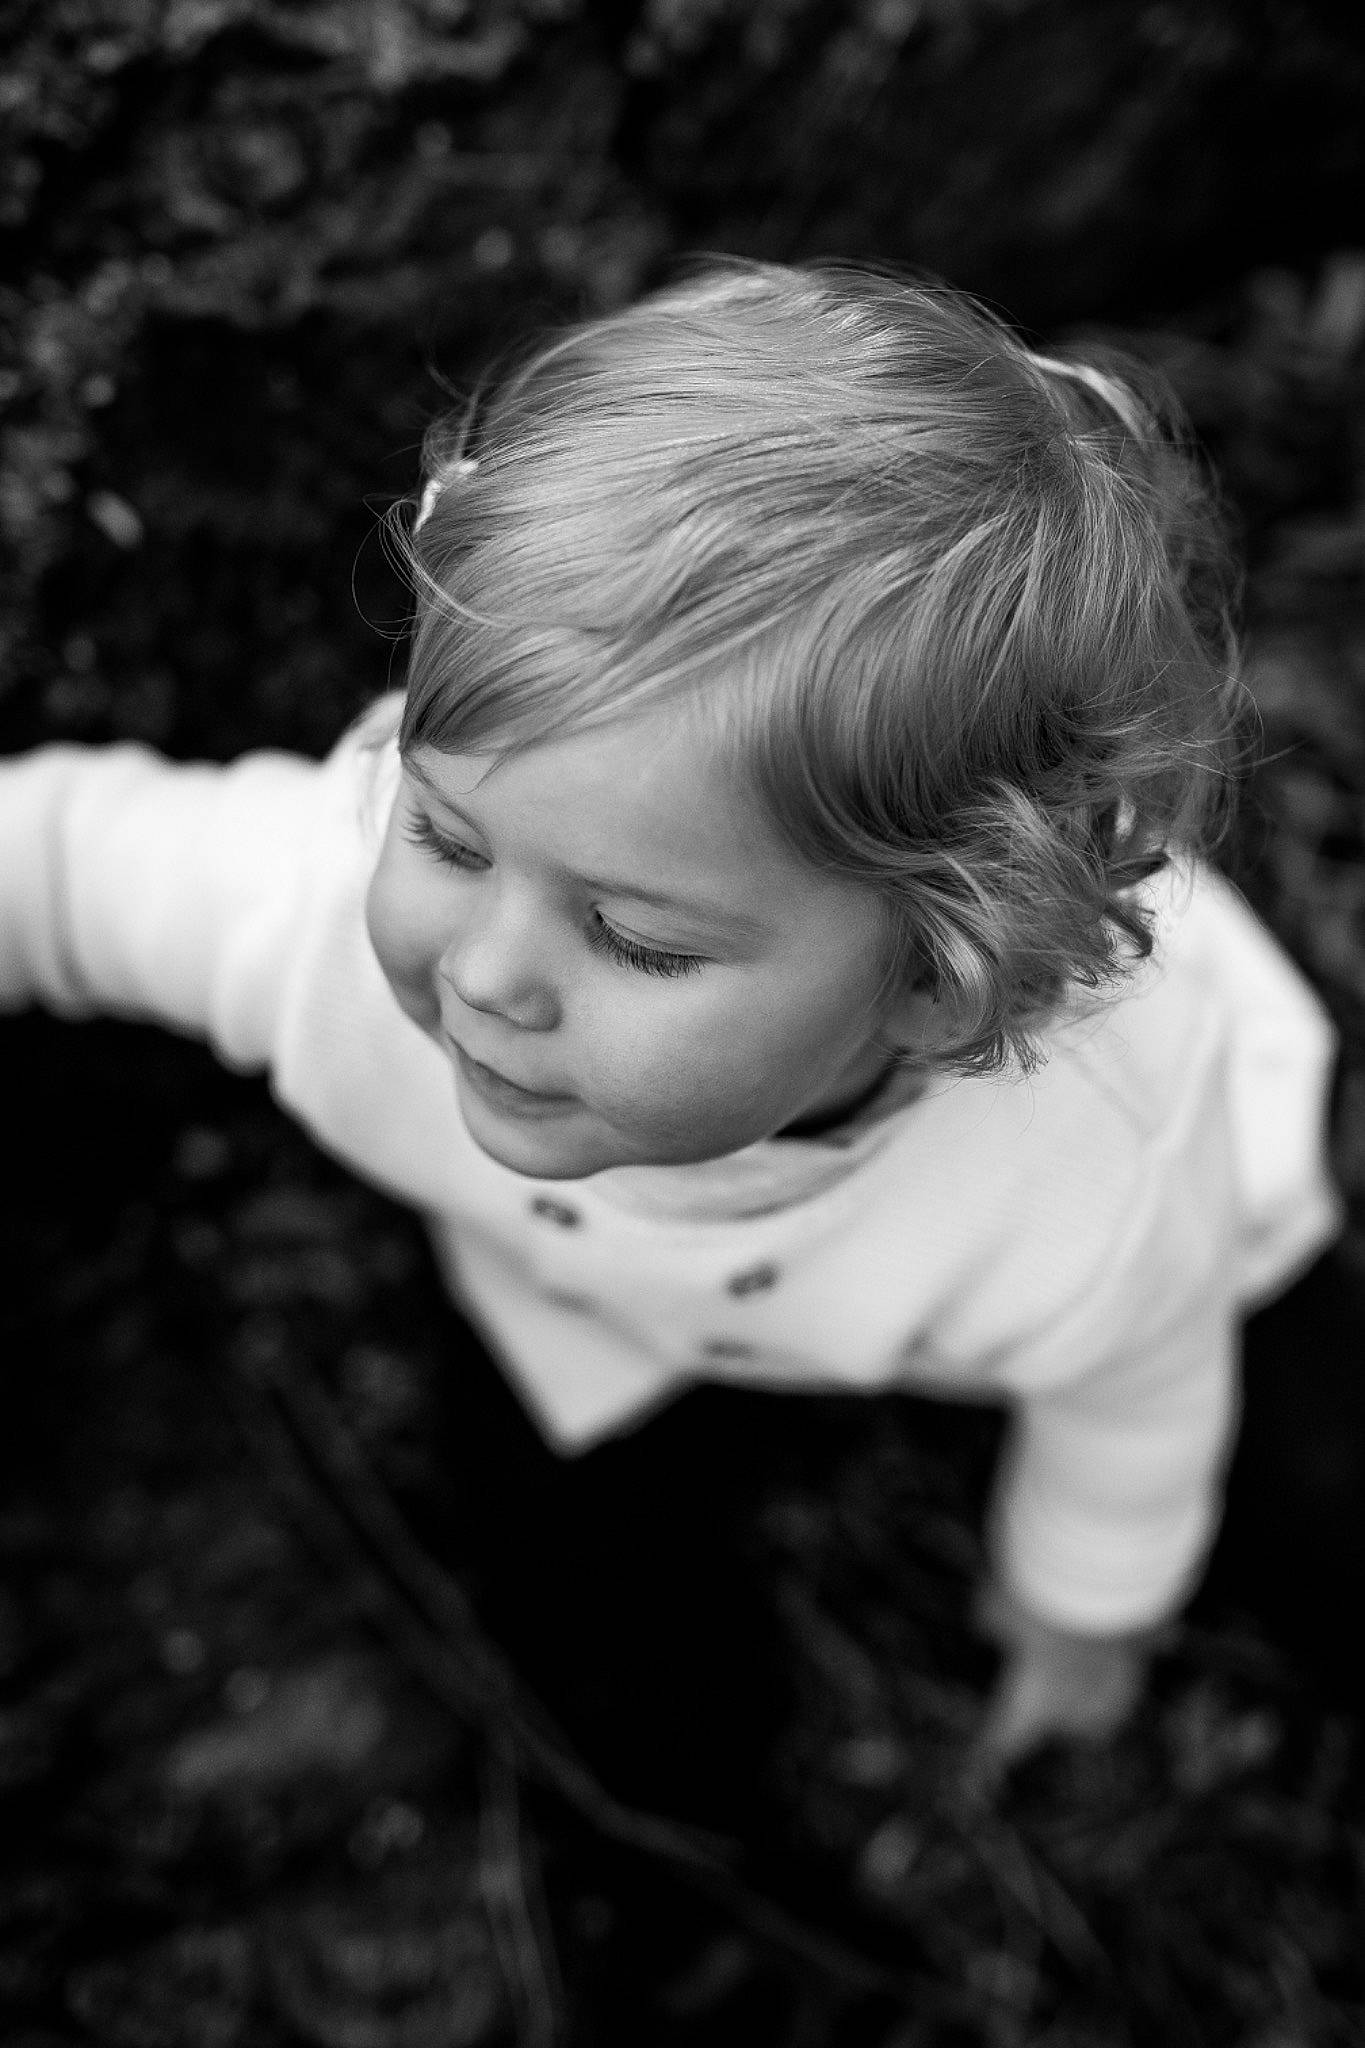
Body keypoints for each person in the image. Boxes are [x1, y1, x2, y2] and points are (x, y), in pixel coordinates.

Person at [0, 260, 1341, 1799]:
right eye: (444, 839)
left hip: (1168, 1255)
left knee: (1313, 1486)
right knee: (601, 1640)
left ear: (932, 979)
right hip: (567, 1305)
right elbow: (52, 866)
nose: (488, 976)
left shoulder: (1093, 1169)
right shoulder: (303, 914)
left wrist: (1082, 1605)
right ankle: (690, 1858)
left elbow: (1136, 1391)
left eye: (633, 935)